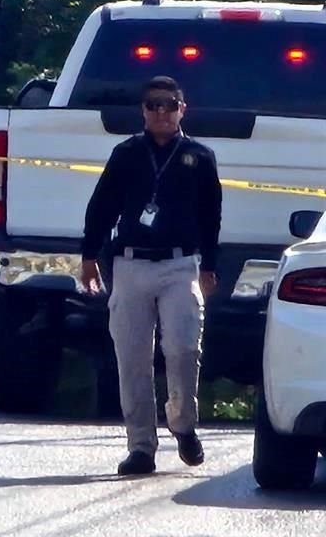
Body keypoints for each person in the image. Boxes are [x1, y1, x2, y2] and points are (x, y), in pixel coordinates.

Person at [79, 75, 222, 476]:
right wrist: (89, 254)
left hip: (180, 266)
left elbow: (211, 216)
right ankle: (141, 446)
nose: (162, 112)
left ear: (182, 109)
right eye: (154, 105)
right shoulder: (126, 154)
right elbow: (102, 207)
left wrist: (209, 265)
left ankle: (183, 423)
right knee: (132, 358)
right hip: (130, 265)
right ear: (143, 111)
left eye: (169, 104)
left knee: (182, 349)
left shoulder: (200, 156)